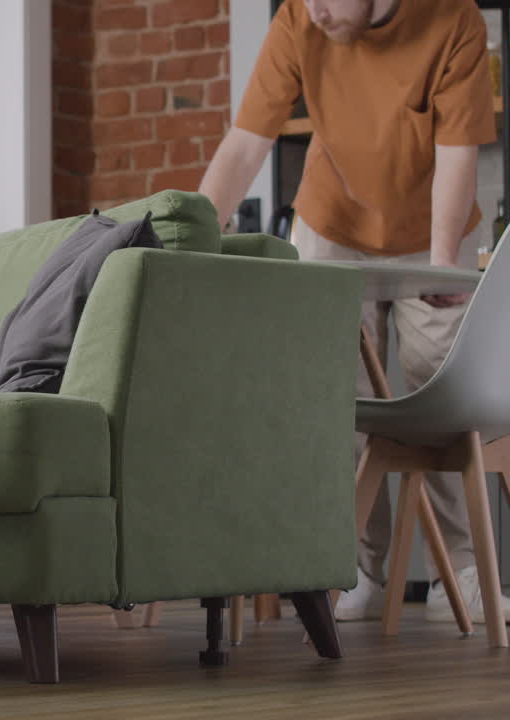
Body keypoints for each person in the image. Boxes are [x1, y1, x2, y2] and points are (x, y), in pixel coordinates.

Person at [198, 0, 508, 624]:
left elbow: (456, 157)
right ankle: (359, 572)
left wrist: (442, 269)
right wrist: (191, 234)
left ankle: (465, 579)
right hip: (332, 222)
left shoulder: (455, 22)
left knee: (438, 387)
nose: (315, 8)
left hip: (431, 227)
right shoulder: (296, 22)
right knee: (339, 400)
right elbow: (245, 144)